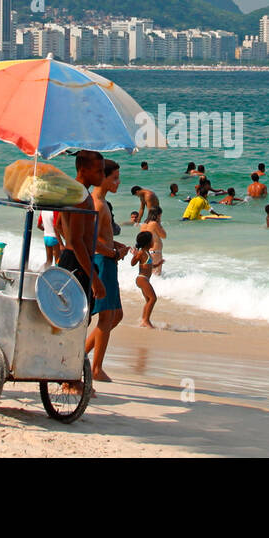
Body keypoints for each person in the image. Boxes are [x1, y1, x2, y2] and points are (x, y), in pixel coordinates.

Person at [86, 159, 129, 382]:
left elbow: (103, 237)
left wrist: (116, 247)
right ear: (103, 177)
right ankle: (95, 368)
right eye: (114, 178)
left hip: (108, 259)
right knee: (107, 316)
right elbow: (91, 242)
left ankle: (82, 355)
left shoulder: (102, 202)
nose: (118, 182)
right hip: (103, 262)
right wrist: (112, 253)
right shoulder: (98, 204)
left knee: (116, 315)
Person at [55, 150, 106, 315]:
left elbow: (59, 225)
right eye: (99, 171)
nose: (102, 175)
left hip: (71, 259)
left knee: (68, 316)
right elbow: (77, 241)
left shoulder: (73, 191)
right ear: (83, 170)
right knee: (77, 318)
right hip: (78, 263)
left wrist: (69, 244)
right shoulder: (81, 196)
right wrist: (95, 279)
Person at [131, 231, 159, 328]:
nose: (153, 241)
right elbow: (132, 263)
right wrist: (135, 254)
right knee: (153, 298)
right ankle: (146, 320)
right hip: (142, 279)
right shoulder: (142, 252)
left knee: (149, 300)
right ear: (148, 242)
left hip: (145, 279)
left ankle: (144, 320)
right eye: (152, 240)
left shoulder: (147, 253)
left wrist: (158, 264)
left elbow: (150, 265)